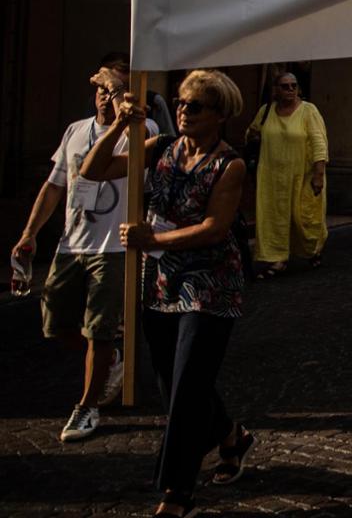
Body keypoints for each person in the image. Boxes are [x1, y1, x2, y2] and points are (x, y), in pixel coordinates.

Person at [109, 70, 255, 518]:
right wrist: (119, 125)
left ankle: (177, 493)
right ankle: (231, 435)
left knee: (189, 387)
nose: (183, 111)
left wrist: (151, 239)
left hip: (210, 286)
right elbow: (94, 170)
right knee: (176, 384)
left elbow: (214, 229)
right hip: (160, 282)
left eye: (195, 105)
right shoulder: (162, 149)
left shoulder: (230, 164)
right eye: (180, 102)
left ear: (219, 115)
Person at [10, 63, 156, 442]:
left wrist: (120, 97)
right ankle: (113, 360)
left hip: (113, 246)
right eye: (103, 91)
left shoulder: (143, 129)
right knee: (54, 323)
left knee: (99, 329)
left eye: (116, 91)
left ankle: (87, 405)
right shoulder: (75, 131)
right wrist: (29, 234)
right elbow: (54, 186)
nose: (107, 97)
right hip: (71, 244)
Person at [245, 72, 328, 278]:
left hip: (302, 175)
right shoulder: (266, 111)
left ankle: (313, 249)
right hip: (272, 176)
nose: (290, 90)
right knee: (274, 217)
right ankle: (277, 258)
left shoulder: (309, 111)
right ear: (276, 90)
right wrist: (252, 135)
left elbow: (319, 143)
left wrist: (319, 174)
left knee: (303, 219)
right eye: (285, 86)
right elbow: (251, 132)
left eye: (294, 85)